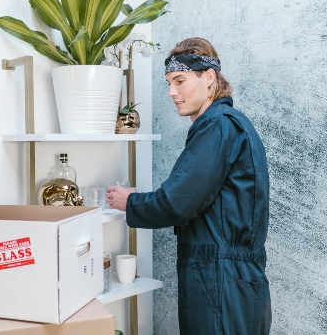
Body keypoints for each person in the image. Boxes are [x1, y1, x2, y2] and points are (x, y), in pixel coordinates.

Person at [106, 37, 272, 335]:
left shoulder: (216, 126)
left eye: (180, 81)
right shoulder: (234, 123)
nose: (172, 92)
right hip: (237, 280)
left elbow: (178, 202)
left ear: (208, 78)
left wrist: (131, 201)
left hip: (218, 280)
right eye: (169, 82)